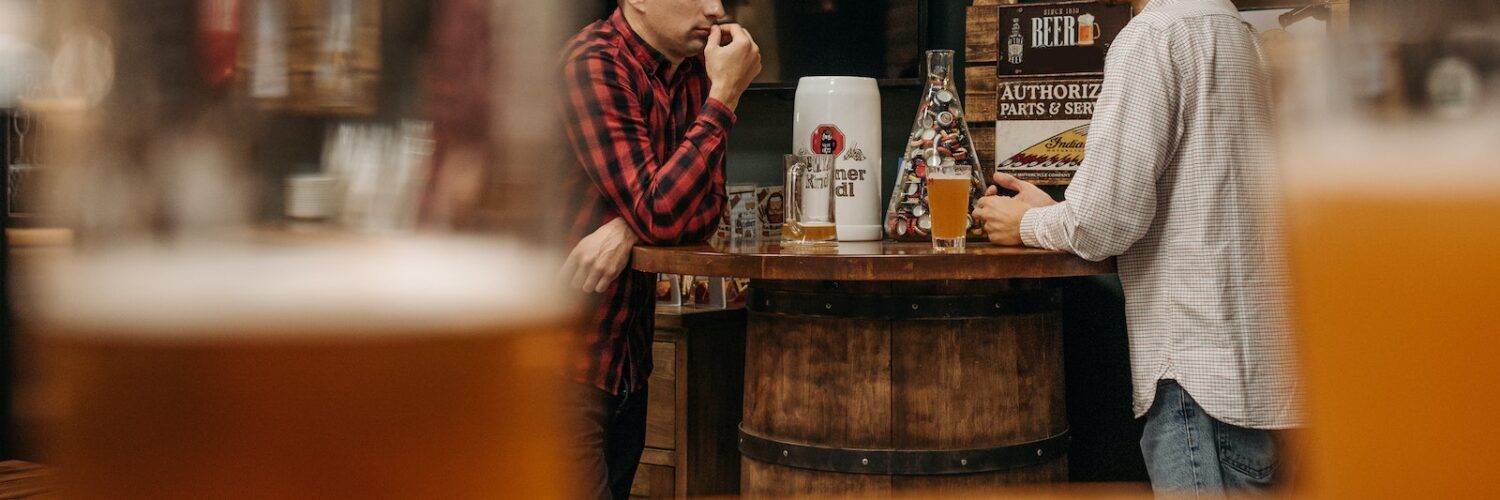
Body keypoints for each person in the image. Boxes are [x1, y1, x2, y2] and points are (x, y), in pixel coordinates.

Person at [972, 0, 1303, 493]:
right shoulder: (1241, 33)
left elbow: (1105, 222)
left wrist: (1026, 225)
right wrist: (1049, 210)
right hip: (1262, 374)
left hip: (1196, 374)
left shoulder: (1153, 37)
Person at [556, 1, 761, 498]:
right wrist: (726, 96)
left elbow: (708, 206)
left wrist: (628, 227)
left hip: (627, 360)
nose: (715, 9)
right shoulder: (593, 62)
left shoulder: (692, 73)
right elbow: (661, 212)